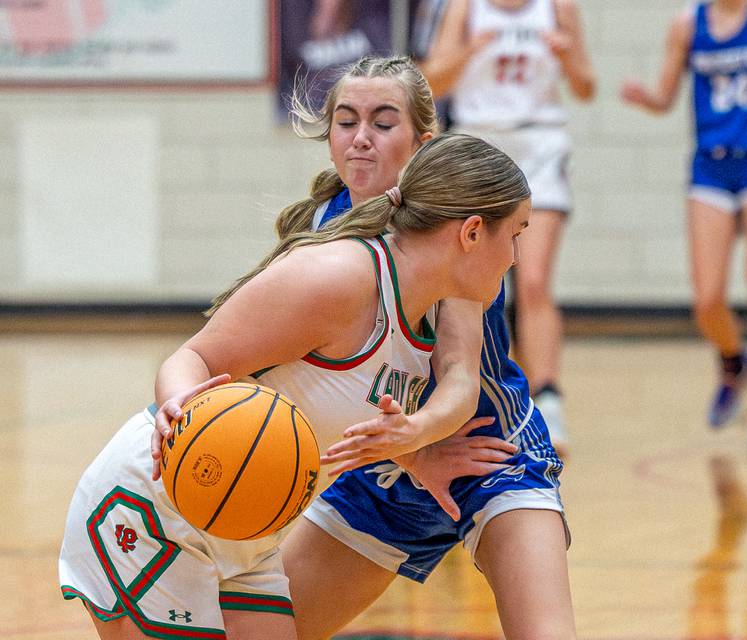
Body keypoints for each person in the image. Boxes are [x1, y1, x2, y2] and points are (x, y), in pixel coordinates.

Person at [58, 131, 532, 640]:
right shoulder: (339, 277)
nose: (515, 259)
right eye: (517, 234)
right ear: (473, 232)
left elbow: (331, 412)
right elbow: (193, 356)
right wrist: (179, 406)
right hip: (157, 505)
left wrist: (413, 451)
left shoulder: (427, 310)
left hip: (247, 527)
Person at [275, 56, 576, 640]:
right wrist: (407, 454)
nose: (361, 138)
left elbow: (460, 374)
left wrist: (419, 435)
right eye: (346, 120)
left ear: (422, 140)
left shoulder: (451, 221)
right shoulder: (317, 231)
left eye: (383, 122)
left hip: (486, 454)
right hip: (379, 472)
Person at [419, 0, 597, 457]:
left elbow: (586, 86)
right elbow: (431, 82)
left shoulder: (558, 8)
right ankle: (480, 395)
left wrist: (567, 56)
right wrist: (467, 51)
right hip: (481, 142)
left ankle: (549, 398)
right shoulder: (465, 8)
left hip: (540, 142)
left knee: (533, 280)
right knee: (474, 284)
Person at [620, 0, 747, 453]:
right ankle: (737, 363)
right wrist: (645, 97)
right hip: (711, 168)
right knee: (707, 300)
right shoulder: (687, 25)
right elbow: (665, 97)